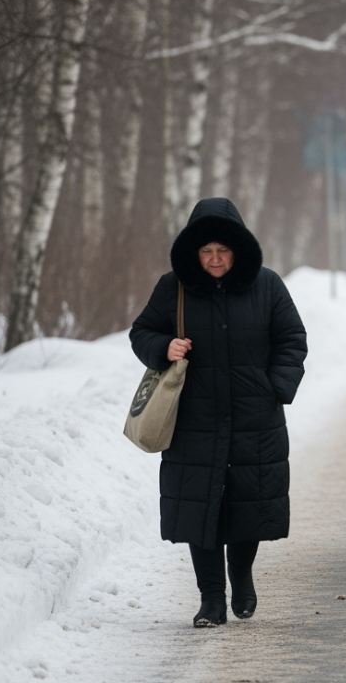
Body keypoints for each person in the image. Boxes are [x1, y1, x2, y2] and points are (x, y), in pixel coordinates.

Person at [130, 198, 307, 628]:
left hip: (254, 418)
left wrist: (275, 388)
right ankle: (211, 599)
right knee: (201, 510)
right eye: (206, 251)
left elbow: (292, 339)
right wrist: (162, 348)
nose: (214, 260)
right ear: (194, 252)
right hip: (194, 419)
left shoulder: (267, 285)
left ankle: (241, 576)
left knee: (248, 504)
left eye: (222, 251)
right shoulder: (173, 287)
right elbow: (142, 331)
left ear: (237, 250)